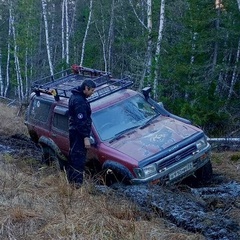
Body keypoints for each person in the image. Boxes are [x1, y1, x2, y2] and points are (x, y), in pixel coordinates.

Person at [67, 79, 96, 188]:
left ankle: (72, 183)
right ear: (86, 88)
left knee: (74, 157)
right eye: (92, 90)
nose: (92, 93)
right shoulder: (79, 101)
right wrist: (85, 137)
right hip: (78, 133)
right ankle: (76, 185)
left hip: (75, 131)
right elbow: (81, 121)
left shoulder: (76, 97)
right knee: (78, 159)